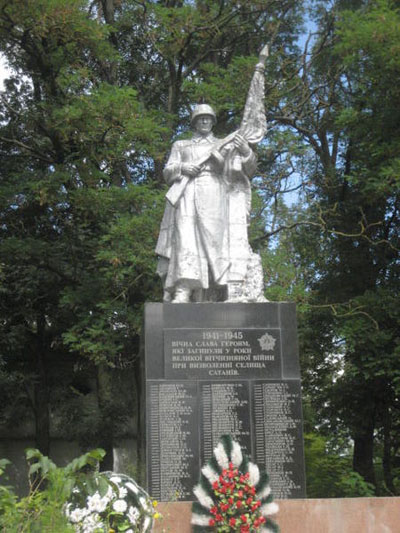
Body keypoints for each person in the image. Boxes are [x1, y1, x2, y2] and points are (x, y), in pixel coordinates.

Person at [155, 104, 257, 303]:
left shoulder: (224, 143)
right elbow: (168, 171)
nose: (204, 121)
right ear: (194, 121)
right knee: (186, 240)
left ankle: (223, 286)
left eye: (208, 118)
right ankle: (183, 289)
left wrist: (245, 151)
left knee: (215, 239)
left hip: (214, 191)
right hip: (187, 192)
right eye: (200, 118)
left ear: (212, 121)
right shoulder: (181, 145)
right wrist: (184, 167)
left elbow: (247, 170)